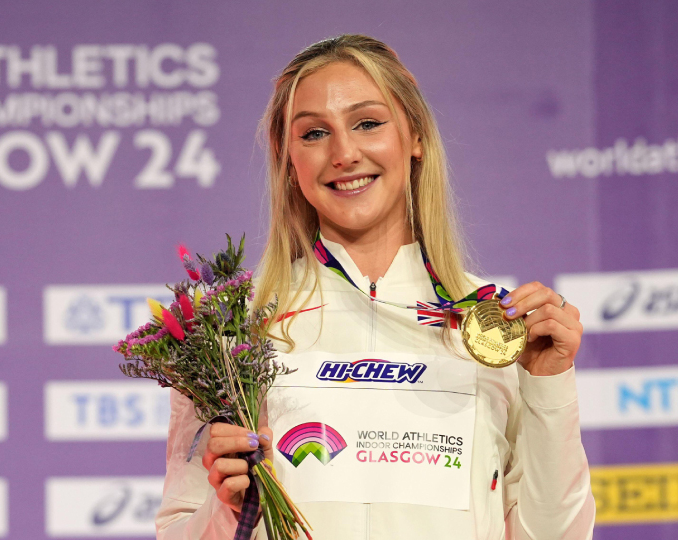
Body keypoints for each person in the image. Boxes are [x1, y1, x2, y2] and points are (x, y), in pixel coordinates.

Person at [155, 34, 595, 539]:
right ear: (287, 158)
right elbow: (178, 530)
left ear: (415, 137)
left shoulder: (496, 328)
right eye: (314, 133)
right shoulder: (231, 330)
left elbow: (557, 534)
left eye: (368, 123)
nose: (344, 152)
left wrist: (548, 384)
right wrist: (227, 512)